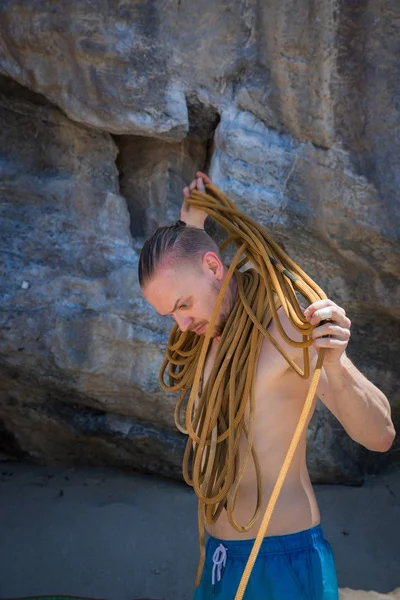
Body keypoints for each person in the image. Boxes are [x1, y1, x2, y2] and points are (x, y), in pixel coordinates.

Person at [138, 171, 396, 599]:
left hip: (281, 558)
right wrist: (193, 224)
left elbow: (381, 435)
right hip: (221, 556)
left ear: (214, 267)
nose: (182, 325)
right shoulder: (204, 335)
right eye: (171, 315)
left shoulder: (291, 332)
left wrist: (337, 363)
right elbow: (188, 266)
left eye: (183, 305)